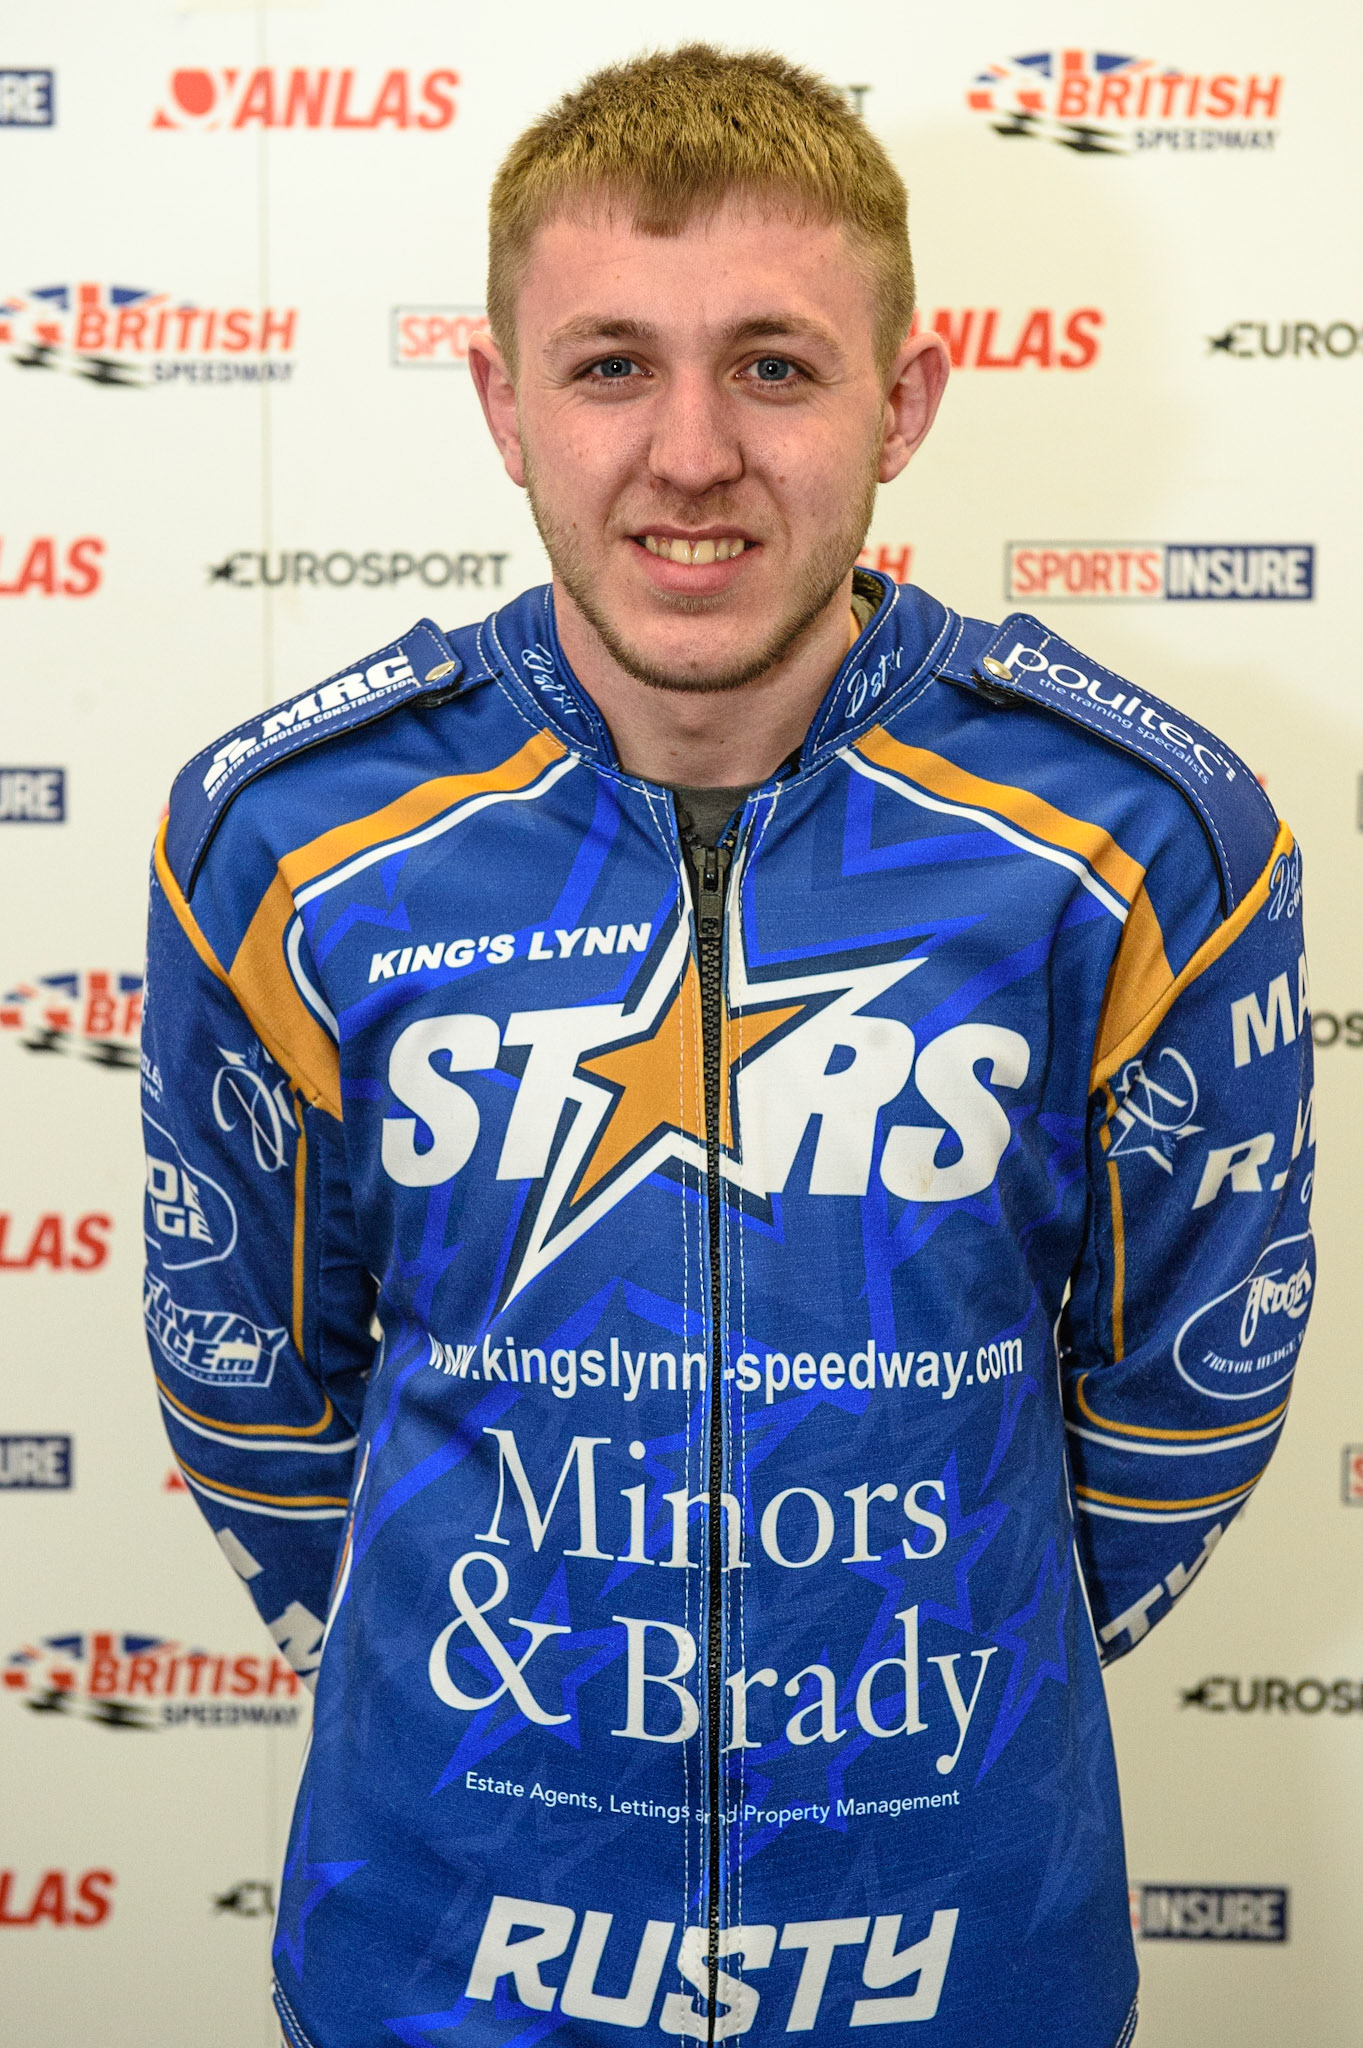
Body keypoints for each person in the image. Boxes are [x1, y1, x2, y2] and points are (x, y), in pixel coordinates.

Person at [141, 45, 1314, 2048]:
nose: (692, 451)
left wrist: (916, 1682)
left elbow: (1189, 1402)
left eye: (773, 364)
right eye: (610, 366)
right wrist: (505, 1689)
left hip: (964, 1943)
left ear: (904, 402)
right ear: (504, 406)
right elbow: (248, 1384)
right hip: (443, 1950)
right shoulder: (288, 834)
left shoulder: (1144, 834)